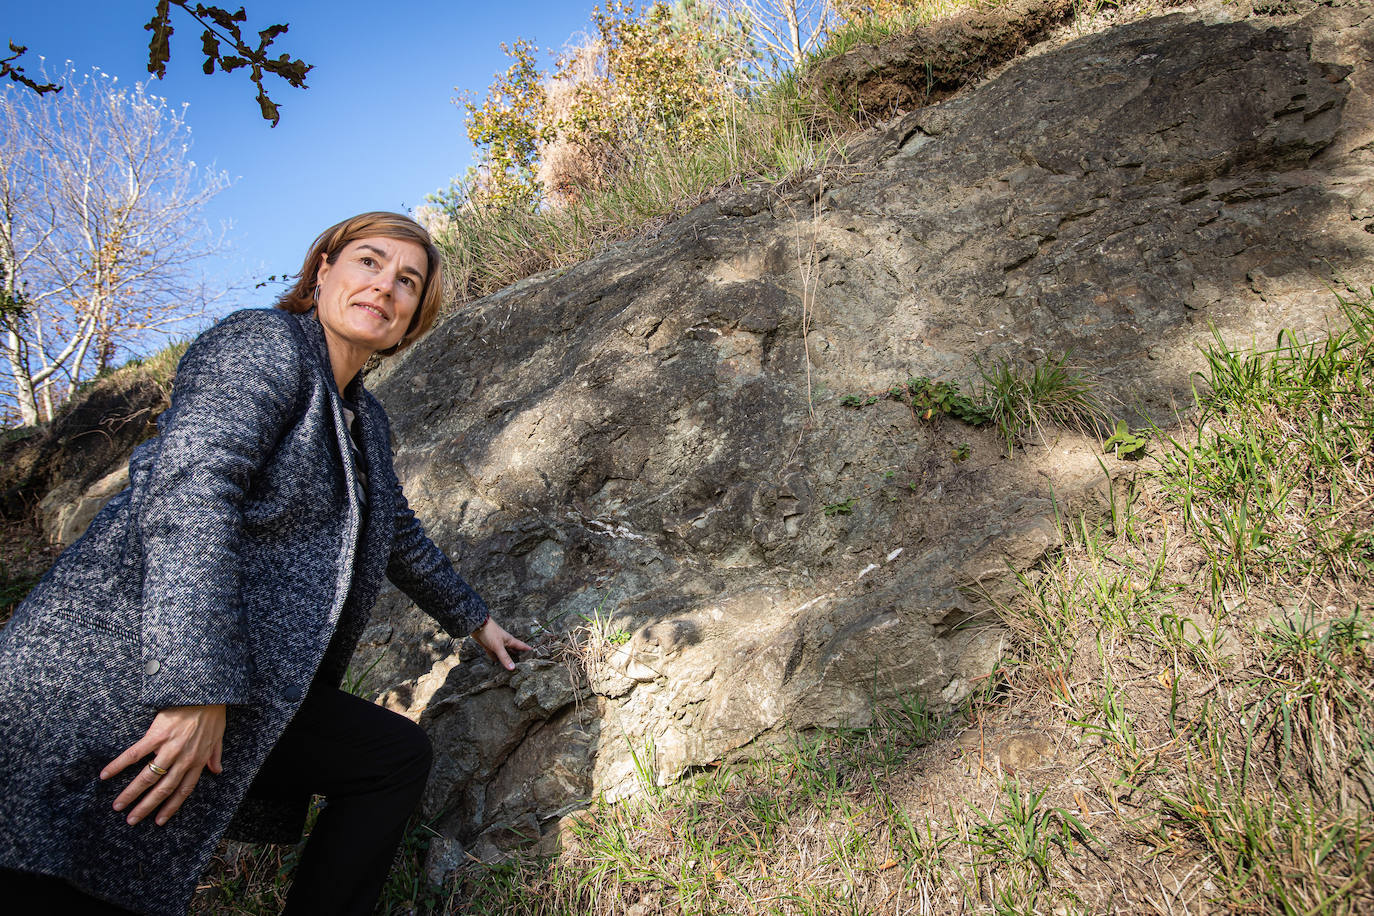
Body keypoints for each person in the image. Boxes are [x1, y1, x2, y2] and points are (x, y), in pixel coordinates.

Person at [0, 211, 530, 915]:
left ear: (411, 320)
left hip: (243, 684)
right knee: (60, 869)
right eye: (368, 262)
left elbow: (394, 531)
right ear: (322, 272)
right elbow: (193, 491)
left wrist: (476, 619)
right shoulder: (263, 345)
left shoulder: (363, 419)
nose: (385, 286)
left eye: (407, 281)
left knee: (389, 758)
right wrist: (194, 686)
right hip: (119, 669)